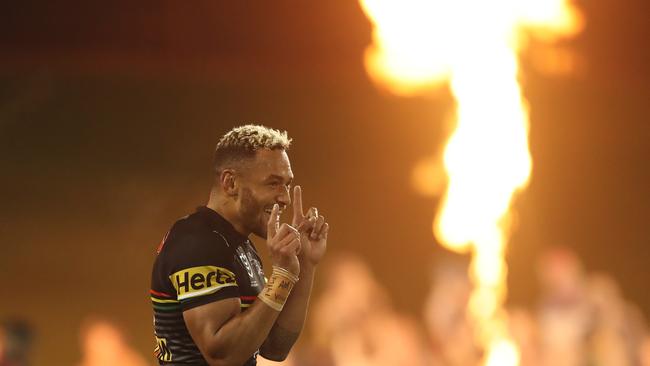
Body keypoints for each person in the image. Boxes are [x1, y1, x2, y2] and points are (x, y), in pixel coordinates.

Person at [150, 125, 329, 366]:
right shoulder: (198, 243)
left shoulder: (238, 245)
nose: (284, 197)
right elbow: (223, 356)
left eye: (287, 184)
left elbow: (275, 347)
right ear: (230, 182)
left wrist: (304, 263)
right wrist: (282, 274)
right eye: (273, 183)